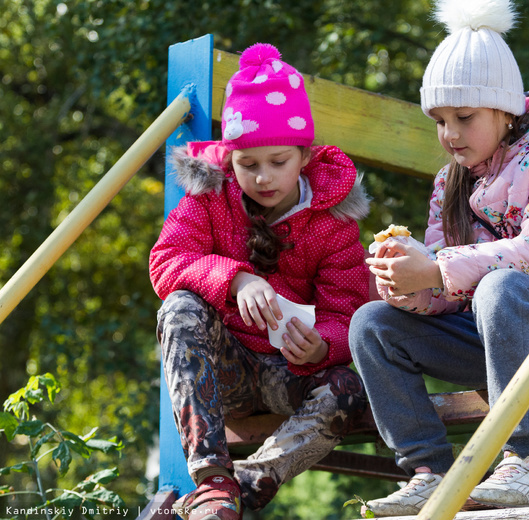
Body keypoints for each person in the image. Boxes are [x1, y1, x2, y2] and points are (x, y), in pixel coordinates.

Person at [348, 0, 529, 516]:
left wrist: (437, 267)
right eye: (438, 120)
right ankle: (428, 470)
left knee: (502, 286)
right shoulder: (450, 181)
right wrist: (410, 286)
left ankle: (528, 461)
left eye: (464, 117)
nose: (450, 134)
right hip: (496, 332)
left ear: (505, 109)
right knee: (372, 323)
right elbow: (450, 294)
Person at [149, 42, 370, 519]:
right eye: (248, 165)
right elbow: (167, 260)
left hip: (286, 372)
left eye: (278, 162)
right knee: (179, 306)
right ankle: (210, 480)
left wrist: (323, 345)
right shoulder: (212, 197)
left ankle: (248, 485)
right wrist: (236, 278)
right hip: (224, 367)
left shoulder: (331, 221)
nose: (264, 177)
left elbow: (347, 309)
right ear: (230, 159)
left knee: (348, 391)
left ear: (305, 155)